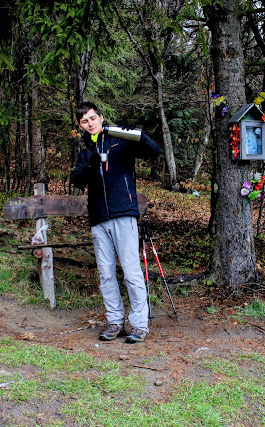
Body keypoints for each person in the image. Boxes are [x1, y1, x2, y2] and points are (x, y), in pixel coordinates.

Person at [71, 102, 161, 343]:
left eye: (92, 118)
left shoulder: (121, 140)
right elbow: (77, 180)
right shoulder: (85, 152)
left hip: (124, 214)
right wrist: (89, 166)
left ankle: (140, 324)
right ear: (80, 125)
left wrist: (139, 136)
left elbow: (154, 151)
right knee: (106, 274)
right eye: (84, 121)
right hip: (99, 218)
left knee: (131, 272)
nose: (89, 123)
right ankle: (115, 321)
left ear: (101, 117)